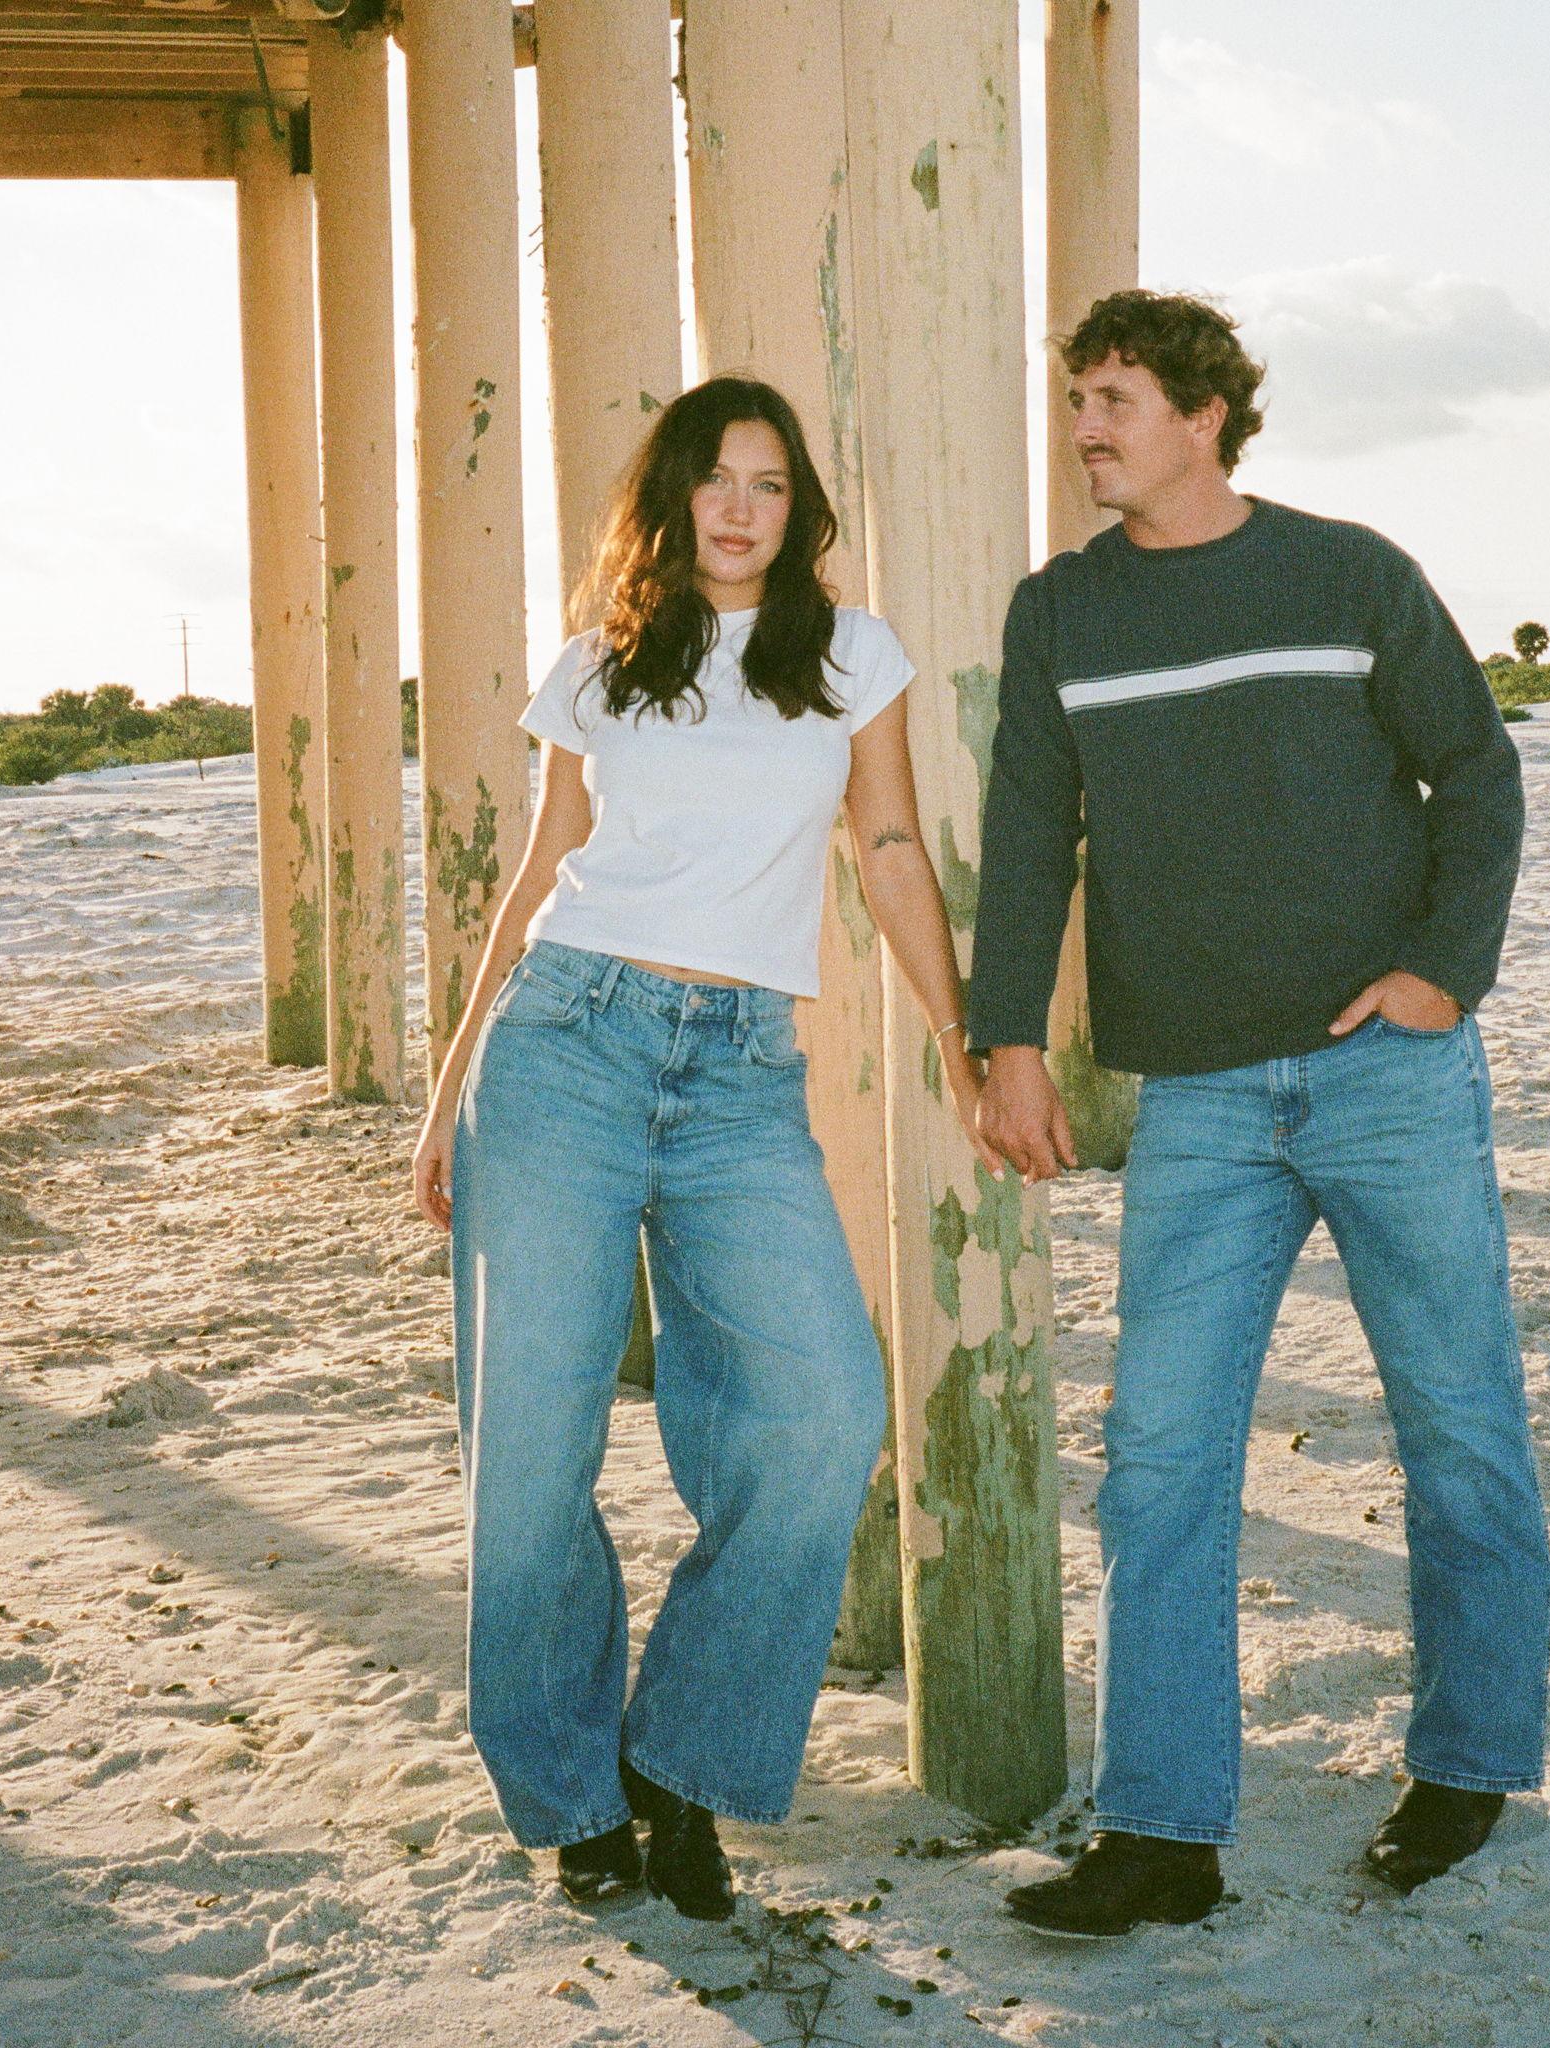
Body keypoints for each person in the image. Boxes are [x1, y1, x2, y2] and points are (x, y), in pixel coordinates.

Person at [968, 290, 1550, 1936]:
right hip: (1198, 1098)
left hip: (1387, 1076)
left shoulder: (1347, 572)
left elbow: (1475, 772)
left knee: (1456, 1424)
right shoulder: (1060, 612)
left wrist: (1442, 970)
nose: (1085, 429)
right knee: (1158, 1458)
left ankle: (1465, 1766)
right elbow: (1028, 837)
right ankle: (1162, 1835)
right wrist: (1007, 1042)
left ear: (1205, 415)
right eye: (1076, 401)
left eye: (1114, 399)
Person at [411, 375, 997, 1921]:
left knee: (822, 1411)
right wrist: (448, 1089)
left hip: (740, 1075)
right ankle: (572, 1797)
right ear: (670, 497)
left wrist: (956, 1036)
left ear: (799, 508)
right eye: (716, 478)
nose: (742, 507)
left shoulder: (850, 656)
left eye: (770, 483)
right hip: (563, 1046)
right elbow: (541, 872)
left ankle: (679, 1758)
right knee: (528, 1454)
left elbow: (887, 847)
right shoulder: (599, 665)